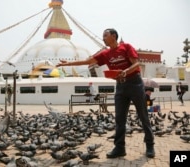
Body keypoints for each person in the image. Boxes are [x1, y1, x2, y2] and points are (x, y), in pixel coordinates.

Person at [56, 28, 155, 158]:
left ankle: (150, 145)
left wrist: (126, 71)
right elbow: (88, 61)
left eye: (105, 35)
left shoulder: (126, 47)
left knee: (143, 116)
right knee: (119, 119)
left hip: (135, 84)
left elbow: (136, 64)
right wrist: (68, 63)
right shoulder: (105, 53)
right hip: (120, 86)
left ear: (113, 36)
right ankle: (119, 148)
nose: (103, 38)